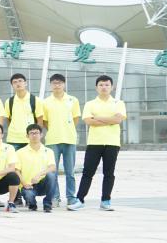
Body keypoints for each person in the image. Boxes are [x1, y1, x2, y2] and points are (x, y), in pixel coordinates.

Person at [74, 74, 126, 211]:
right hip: (94, 142)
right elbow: (88, 121)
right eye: (101, 85)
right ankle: (80, 199)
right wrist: (109, 119)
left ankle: (105, 201)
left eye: (107, 85)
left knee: (109, 173)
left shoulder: (118, 103)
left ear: (112, 87)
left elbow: (118, 120)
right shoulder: (90, 104)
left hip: (112, 143)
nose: (104, 87)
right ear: (96, 87)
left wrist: (97, 118)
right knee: (88, 172)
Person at [42, 73, 81, 207]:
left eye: (59, 83)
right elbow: (45, 121)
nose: (57, 85)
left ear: (64, 84)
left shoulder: (73, 100)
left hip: (69, 139)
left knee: (70, 172)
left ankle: (71, 197)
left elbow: (76, 118)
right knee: (53, 172)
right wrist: (55, 129)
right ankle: (55, 197)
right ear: (50, 85)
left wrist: (67, 128)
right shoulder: (46, 102)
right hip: (52, 140)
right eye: (54, 83)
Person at [17, 124, 58, 213]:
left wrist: (39, 174)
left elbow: (53, 167)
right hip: (28, 185)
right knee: (29, 195)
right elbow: (17, 171)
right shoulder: (20, 152)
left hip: (43, 184)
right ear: (27, 136)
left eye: (36, 133)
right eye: (31, 133)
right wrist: (24, 183)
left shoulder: (48, 151)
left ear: (41, 135)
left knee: (51, 175)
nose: (34, 135)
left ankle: (47, 204)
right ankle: (32, 204)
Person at [4, 73, 45, 150]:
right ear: (12, 85)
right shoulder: (9, 101)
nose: (18, 84)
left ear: (25, 83)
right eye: (15, 82)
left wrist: (36, 136)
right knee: (13, 158)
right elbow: (8, 119)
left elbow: (40, 121)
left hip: (30, 138)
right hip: (13, 139)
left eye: (20, 81)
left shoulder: (35, 100)